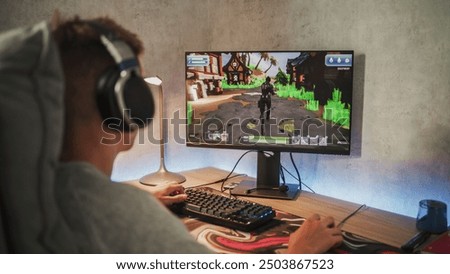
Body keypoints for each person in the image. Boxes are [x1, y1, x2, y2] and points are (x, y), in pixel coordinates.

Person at [53, 16, 342, 253]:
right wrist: (299, 255)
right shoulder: (142, 225)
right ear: (121, 106)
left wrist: (144, 203)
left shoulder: (37, 198)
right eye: (137, 92)